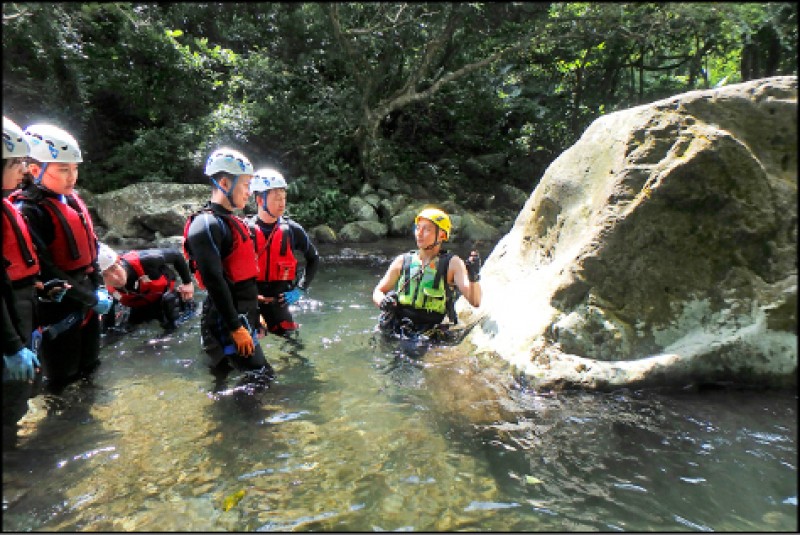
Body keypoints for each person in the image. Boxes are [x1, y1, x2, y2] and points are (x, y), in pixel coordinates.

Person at [10, 123, 112, 395]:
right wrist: (90, 298)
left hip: (86, 298)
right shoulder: (29, 210)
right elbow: (45, 267)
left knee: (91, 369)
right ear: (35, 170)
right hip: (57, 305)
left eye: (75, 168)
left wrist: (99, 286)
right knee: (62, 382)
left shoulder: (72, 200)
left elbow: (93, 248)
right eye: (63, 170)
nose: (72, 176)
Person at [183, 147, 274, 385]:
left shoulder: (231, 220)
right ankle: (240, 422)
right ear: (224, 182)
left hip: (241, 313)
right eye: (245, 185)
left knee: (238, 379)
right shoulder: (205, 224)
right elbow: (214, 280)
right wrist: (236, 326)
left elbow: (243, 279)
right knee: (260, 378)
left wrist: (255, 315)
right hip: (226, 319)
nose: (249, 192)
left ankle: (228, 421)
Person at [372, 207, 482, 342]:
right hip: (397, 326)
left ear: (441, 235)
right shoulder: (403, 260)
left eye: (427, 229)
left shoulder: (452, 263)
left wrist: (474, 277)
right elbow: (378, 291)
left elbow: (475, 301)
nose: (419, 233)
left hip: (428, 332)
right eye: (418, 228)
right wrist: (382, 301)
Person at [247, 167, 319, 339]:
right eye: (276, 198)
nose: (282, 203)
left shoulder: (292, 229)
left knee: (294, 345)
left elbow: (313, 258)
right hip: (251, 302)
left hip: (279, 301)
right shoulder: (243, 230)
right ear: (259, 200)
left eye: (284, 198)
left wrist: (300, 289)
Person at [97, 243, 195, 333]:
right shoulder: (101, 288)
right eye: (105, 275)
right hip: (139, 304)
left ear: (119, 261)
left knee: (170, 317)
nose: (114, 277)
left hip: (165, 298)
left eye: (114, 268)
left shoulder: (147, 259)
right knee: (118, 330)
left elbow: (176, 255)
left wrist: (188, 283)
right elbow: (107, 322)